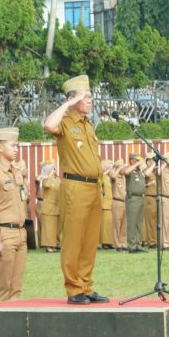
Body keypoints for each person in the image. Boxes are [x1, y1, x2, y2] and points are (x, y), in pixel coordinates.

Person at [44, 74, 109, 305]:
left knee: (90, 240)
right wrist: (67, 104)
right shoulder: (65, 121)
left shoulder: (88, 124)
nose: (91, 101)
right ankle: (74, 289)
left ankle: (86, 285)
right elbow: (48, 125)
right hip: (75, 186)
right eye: (86, 97)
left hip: (94, 188)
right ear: (73, 99)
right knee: (73, 240)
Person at [0, 127, 27, 302]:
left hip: (20, 233)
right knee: (3, 287)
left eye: (17, 145)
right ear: (0, 148)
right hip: (4, 234)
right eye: (13, 145)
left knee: (16, 287)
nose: (16, 149)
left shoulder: (16, 172)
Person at [123, 152, 146, 253]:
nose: (139, 162)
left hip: (141, 198)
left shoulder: (139, 171)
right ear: (132, 160)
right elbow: (126, 172)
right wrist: (137, 164)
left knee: (139, 223)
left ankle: (138, 244)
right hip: (132, 198)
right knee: (132, 223)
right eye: (137, 160)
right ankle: (131, 245)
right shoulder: (130, 170)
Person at [39, 160, 60, 253]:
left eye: (54, 168)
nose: (54, 170)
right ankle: (49, 246)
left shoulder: (56, 180)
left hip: (57, 206)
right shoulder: (44, 179)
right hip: (48, 206)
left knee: (55, 227)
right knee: (49, 227)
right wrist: (50, 174)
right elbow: (47, 185)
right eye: (52, 168)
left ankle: (55, 244)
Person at [110, 159, 127, 251]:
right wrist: (118, 168)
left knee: (124, 224)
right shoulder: (115, 177)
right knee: (117, 224)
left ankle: (123, 242)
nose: (123, 168)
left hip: (125, 202)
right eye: (121, 166)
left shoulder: (124, 177)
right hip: (117, 201)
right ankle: (117, 244)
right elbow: (112, 176)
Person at [99, 160, 114, 250]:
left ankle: (109, 242)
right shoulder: (102, 176)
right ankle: (105, 242)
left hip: (110, 203)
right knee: (105, 225)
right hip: (104, 203)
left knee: (109, 224)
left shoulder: (109, 177)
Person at [143, 152, 157, 248]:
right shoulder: (146, 170)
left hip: (156, 197)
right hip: (149, 197)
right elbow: (146, 174)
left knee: (155, 221)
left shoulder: (155, 171)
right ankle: (150, 241)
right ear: (147, 162)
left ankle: (155, 240)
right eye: (151, 160)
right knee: (149, 221)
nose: (153, 162)